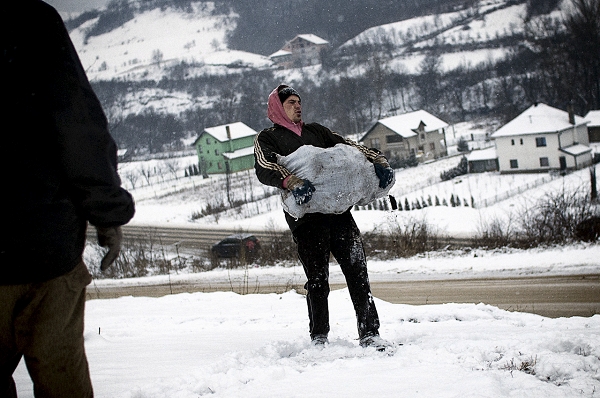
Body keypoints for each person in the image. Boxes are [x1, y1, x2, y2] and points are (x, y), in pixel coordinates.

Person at [0, 1, 135, 396]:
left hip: (44, 243)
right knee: (62, 379)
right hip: (44, 245)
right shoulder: (29, 20)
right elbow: (76, 125)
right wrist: (107, 215)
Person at [254, 84, 394, 350]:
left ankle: (370, 333)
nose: (298, 106)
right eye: (291, 102)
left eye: (299, 101)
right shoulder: (268, 138)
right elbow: (264, 166)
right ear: (277, 107)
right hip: (306, 218)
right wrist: (291, 182)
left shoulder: (317, 131)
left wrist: (378, 161)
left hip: (338, 212)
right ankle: (319, 336)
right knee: (318, 279)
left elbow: (351, 148)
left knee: (357, 272)